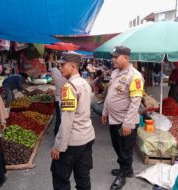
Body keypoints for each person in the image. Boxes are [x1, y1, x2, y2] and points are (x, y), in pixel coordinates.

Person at [50, 52, 95, 190]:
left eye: (63, 65)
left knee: (60, 178)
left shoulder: (70, 87)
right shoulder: (84, 83)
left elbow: (67, 121)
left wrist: (58, 146)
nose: (60, 68)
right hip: (87, 137)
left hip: (72, 142)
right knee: (83, 177)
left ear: (73, 67)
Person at [102, 46, 144, 190]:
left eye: (116, 57)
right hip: (114, 119)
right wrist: (104, 111)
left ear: (126, 57)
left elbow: (135, 102)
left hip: (125, 121)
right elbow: (110, 94)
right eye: (113, 57)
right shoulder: (115, 73)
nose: (113, 60)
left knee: (125, 150)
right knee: (117, 146)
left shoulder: (135, 76)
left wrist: (128, 123)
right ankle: (127, 170)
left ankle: (123, 176)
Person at [50, 62, 66, 136]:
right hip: (63, 98)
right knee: (63, 119)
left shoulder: (53, 70)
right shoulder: (67, 74)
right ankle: (59, 136)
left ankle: (57, 135)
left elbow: (53, 82)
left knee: (59, 119)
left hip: (59, 98)